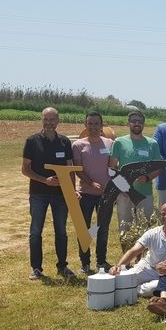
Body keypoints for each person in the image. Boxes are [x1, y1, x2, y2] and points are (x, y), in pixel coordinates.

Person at [21, 107, 75, 280]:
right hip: (38, 193)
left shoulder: (65, 142)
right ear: (42, 120)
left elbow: (70, 169)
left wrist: (72, 190)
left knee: (61, 231)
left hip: (60, 194)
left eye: (52, 119)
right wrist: (45, 181)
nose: (49, 123)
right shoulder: (32, 141)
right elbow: (25, 169)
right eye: (46, 119)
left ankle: (62, 266)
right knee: (36, 231)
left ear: (58, 120)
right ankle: (36, 268)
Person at [109, 202, 166, 296]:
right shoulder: (152, 233)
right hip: (148, 268)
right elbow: (134, 251)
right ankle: (129, 287)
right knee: (122, 279)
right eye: (163, 214)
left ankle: (132, 289)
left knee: (155, 287)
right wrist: (118, 266)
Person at [72, 111, 114, 274]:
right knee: (84, 229)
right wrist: (91, 182)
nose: (93, 127)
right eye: (90, 123)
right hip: (86, 194)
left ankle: (101, 261)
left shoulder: (110, 143)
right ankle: (85, 263)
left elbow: (114, 167)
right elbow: (78, 170)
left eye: (97, 124)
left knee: (102, 228)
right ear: (85, 125)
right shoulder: (78, 145)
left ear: (102, 125)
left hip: (105, 195)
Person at [109, 110, 162, 232]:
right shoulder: (119, 142)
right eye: (134, 121)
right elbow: (112, 168)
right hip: (124, 194)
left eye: (140, 121)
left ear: (144, 124)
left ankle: (143, 252)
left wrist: (148, 177)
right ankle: (127, 252)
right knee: (125, 229)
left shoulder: (152, 143)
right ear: (128, 123)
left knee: (146, 229)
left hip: (145, 194)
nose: (137, 124)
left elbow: (159, 168)